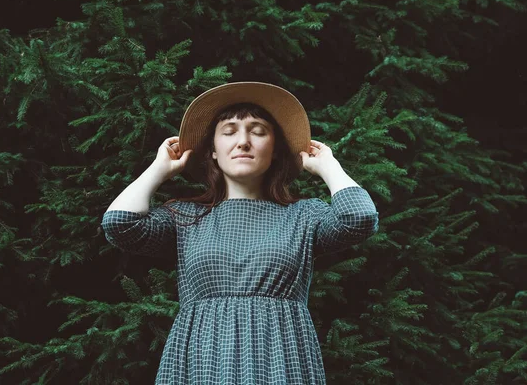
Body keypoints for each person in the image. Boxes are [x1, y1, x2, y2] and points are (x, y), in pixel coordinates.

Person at [101, 82, 379, 384]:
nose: (243, 141)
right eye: (229, 131)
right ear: (213, 152)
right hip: (201, 358)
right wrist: (159, 169)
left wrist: (329, 166)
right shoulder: (185, 217)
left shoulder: (304, 216)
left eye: (258, 131)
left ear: (274, 151)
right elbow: (119, 224)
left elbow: (360, 218)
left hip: (280, 359)